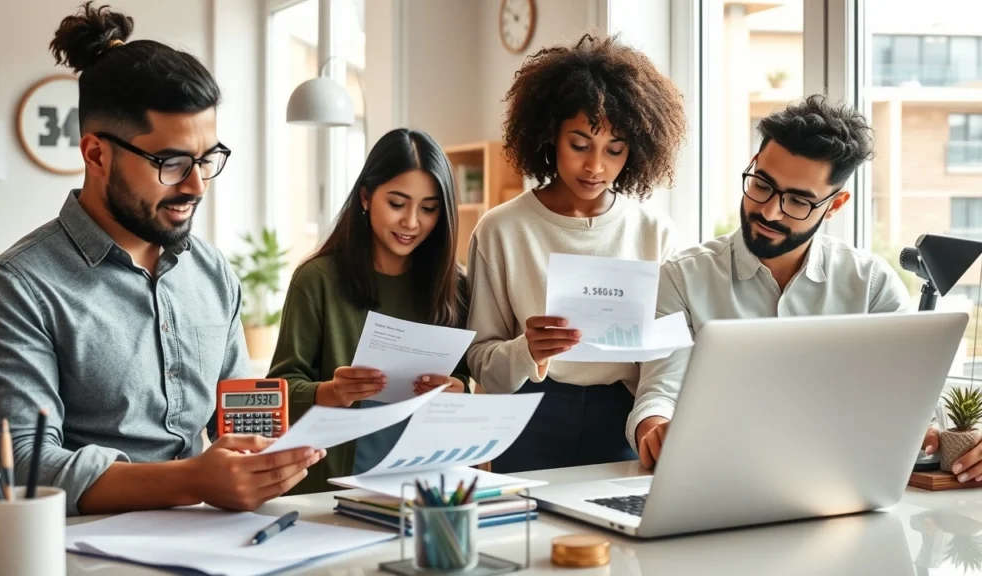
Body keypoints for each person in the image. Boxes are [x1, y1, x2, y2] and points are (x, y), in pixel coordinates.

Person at [0, 2, 323, 516]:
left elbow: (240, 419)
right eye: (171, 162)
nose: (196, 185)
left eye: (207, 159)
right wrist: (193, 480)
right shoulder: (15, 288)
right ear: (95, 154)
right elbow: (21, 465)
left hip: (213, 542)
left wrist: (269, 460)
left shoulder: (212, 272)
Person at [628, 95, 919, 468]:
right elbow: (658, 393)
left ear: (835, 205)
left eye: (798, 201)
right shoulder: (681, 278)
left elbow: (911, 402)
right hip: (716, 476)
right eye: (762, 184)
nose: (769, 210)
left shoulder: (873, 286)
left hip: (837, 478)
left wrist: (953, 439)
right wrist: (657, 429)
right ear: (752, 165)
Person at [465, 32, 687, 473]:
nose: (595, 166)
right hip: (528, 414)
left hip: (622, 415)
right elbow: (479, 362)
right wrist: (528, 349)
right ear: (550, 135)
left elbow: (670, 354)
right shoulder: (501, 229)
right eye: (580, 144)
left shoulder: (654, 232)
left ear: (637, 151)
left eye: (615, 150)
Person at [267, 128, 470, 494]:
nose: (412, 221)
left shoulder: (454, 285)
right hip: (333, 488)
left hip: (423, 483)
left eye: (428, 208)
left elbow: (465, 380)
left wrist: (457, 389)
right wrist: (332, 392)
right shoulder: (316, 280)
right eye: (397, 203)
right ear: (365, 197)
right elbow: (279, 392)